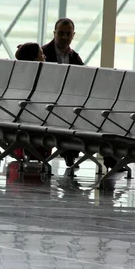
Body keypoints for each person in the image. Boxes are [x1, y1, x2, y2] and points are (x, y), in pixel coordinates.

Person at [42, 18, 83, 167]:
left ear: (73, 35)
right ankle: (68, 152)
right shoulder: (43, 53)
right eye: (61, 33)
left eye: (68, 34)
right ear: (54, 33)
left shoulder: (75, 57)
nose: (65, 37)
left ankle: (69, 152)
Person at [14, 42, 50, 161]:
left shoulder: (18, 77)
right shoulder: (44, 79)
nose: (45, 56)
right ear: (35, 58)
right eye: (41, 53)